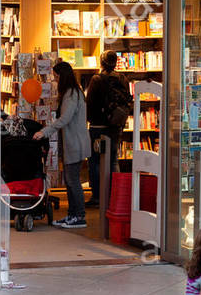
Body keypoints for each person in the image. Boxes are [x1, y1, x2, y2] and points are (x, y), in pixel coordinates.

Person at [33, 60, 91, 229]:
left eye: (57, 77)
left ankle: (78, 216)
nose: (55, 80)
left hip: (75, 143)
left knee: (73, 181)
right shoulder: (72, 93)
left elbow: (65, 119)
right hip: (72, 143)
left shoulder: (71, 94)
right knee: (70, 180)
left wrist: (45, 131)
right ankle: (72, 215)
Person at [85, 50, 132, 210]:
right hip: (115, 126)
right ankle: (114, 195)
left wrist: (90, 120)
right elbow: (128, 100)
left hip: (98, 126)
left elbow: (90, 104)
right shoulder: (123, 79)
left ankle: (98, 196)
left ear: (102, 62)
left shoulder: (97, 79)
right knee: (113, 160)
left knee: (96, 161)